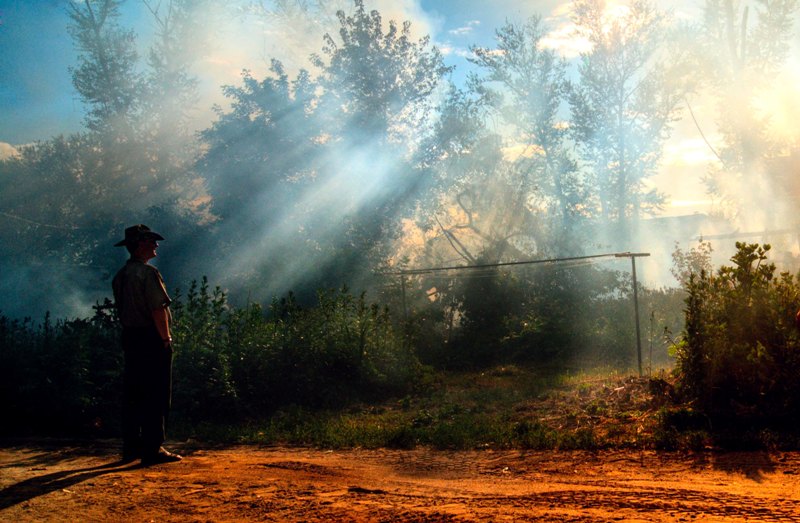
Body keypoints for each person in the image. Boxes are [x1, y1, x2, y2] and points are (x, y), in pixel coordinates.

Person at [112, 224, 182, 466]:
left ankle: (131, 447)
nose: (155, 245)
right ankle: (152, 448)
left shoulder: (121, 275)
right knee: (156, 393)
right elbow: (157, 309)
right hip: (151, 339)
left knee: (134, 393)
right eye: (151, 241)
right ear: (140, 244)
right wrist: (166, 339)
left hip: (130, 337)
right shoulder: (148, 274)